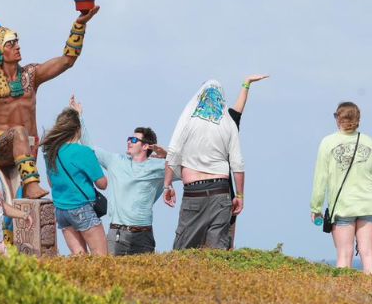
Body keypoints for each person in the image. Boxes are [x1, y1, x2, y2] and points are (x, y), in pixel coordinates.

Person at [0, 0, 100, 203]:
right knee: (19, 132)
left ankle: (13, 225)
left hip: (30, 146)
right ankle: (31, 185)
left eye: (17, 42)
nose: (17, 47)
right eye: (11, 44)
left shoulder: (31, 74)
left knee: (17, 206)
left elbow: (67, 60)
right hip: (2, 144)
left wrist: (79, 25)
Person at [69, 97, 168, 255]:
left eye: (134, 139)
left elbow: (185, 166)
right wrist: (79, 116)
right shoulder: (115, 161)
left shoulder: (158, 167)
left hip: (144, 235)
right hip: (117, 235)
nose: (129, 141)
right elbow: (89, 148)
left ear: (145, 146)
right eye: (129, 138)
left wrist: (167, 155)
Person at [164, 80, 244, 250]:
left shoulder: (188, 119)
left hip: (195, 192)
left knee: (183, 253)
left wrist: (167, 185)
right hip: (221, 193)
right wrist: (240, 195)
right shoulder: (228, 122)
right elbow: (237, 163)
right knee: (217, 255)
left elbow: (173, 152)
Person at [310, 102, 372, 273]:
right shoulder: (371, 143)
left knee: (344, 253)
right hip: (369, 203)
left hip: (343, 205)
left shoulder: (328, 143)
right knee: (368, 252)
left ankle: (345, 295)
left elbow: (320, 178)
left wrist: (316, 207)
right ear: (358, 119)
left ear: (338, 119)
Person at [40, 107, 108, 255]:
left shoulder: (50, 152)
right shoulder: (83, 152)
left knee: (79, 257)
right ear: (78, 129)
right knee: (101, 256)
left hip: (61, 210)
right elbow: (102, 184)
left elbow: (51, 183)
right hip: (82, 208)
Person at [225, 74, 269, 247]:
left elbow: (237, 111)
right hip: (222, 190)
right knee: (224, 244)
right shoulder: (225, 124)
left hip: (214, 190)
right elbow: (236, 111)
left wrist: (246, 84)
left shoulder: (223, 123)